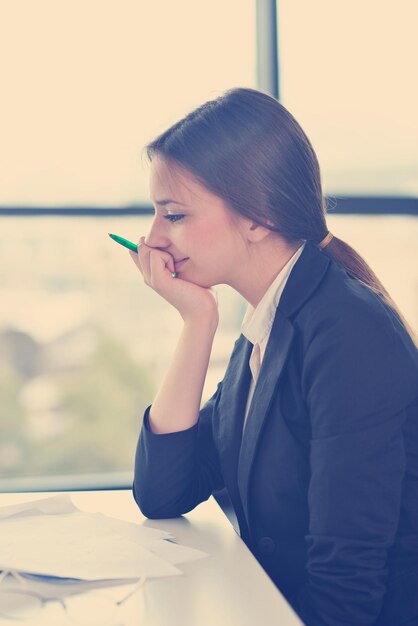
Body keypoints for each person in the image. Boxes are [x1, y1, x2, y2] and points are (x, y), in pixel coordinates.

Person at [130, 87, 418, 626]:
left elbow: (347, 585)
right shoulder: (267, 330)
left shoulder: (346, 333)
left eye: (174, 215)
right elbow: (163, 491)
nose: (153, 238)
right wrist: (198, 323)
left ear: (257, 217)